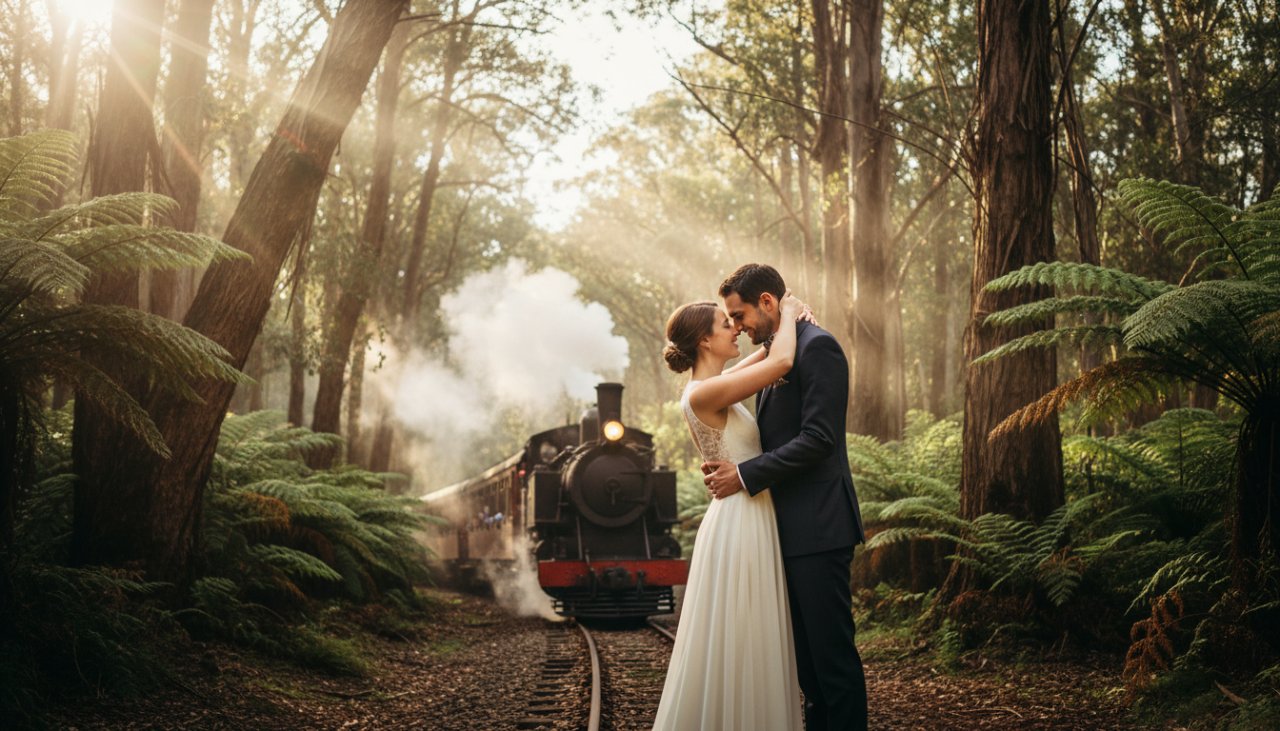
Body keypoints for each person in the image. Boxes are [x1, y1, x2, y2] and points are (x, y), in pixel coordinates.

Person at [702, 263, 868, 730]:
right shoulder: (782, 349)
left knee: (832, 666)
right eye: (730, 321)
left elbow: (819, 439)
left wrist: (745, 475)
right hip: (784, 533)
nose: (736, 327)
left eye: (739, 316)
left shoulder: (820, 349)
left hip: (819, 529)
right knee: (809, 672)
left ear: (768, 302)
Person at [651, 290, 810, 731]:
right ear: (704, 340)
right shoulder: (705, 394)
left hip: (747, 512)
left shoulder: (713, 386)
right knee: (745, 632)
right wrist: (792, 312)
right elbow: (779, 364)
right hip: (742, 519)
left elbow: (763, 356)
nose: (736, 328)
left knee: (748, 632)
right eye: (727, 325)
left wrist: (778, 327)